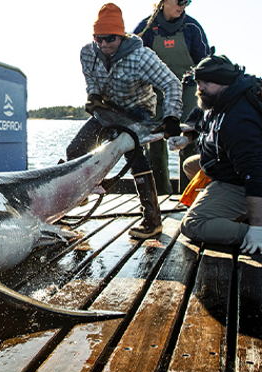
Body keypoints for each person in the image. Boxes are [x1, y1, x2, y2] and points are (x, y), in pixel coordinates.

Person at [66, 3, 184, 239]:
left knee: (133, 153)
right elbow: (91, 80)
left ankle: (152, 220)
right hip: (108, 108)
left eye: (109, 38)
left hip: (137, 109)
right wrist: (94, 96)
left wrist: (172, 117)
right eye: (98, 38)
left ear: (121, 36)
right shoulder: (87, 53)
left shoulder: (141, 57)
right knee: (75, 150)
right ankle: (81, 192)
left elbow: (171, 84)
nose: (103, 44)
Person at [178, 55, 262, 254]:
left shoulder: (240, 120)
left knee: (192, 224)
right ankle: (234, 212)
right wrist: (185, 138)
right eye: (198, 82)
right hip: (227, 166)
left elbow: (255, 174)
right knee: (190, 165)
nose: (200, 87)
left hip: (248, 181)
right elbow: (199, 118)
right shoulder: (218, 98)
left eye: (207, 82)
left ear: (224, 82)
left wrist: (257, 229)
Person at [134, 0, 211, 195]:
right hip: (154, 93)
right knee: (155, 145)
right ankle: (160, 194)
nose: (183, 5)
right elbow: (132, 62)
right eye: (180, 1)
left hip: (188, 91)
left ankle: (190, 195)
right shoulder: (145, 29)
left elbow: (204, 63)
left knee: (190, 141)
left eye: (188, 1)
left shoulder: (193, 28)